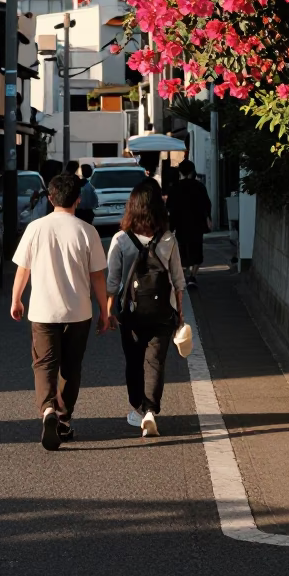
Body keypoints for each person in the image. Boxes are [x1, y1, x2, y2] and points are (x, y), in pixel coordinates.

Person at [10, 172, 112, 451]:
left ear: (50, 198)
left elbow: (23, 269)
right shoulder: (87, 231)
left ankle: (47, 411)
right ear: (78, 199)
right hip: (78, 311)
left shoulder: (35, 228)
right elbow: (98, 277)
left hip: (43, 311)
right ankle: (64, 420)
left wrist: (16, 299)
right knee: (70, 367)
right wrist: (104, 311)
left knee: (44, 363)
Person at [106, 181, 185, 437]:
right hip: (162, 310)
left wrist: (108, 311)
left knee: (133, 360)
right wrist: (180, 313)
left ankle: (138, 409)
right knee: (155, 362)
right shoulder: (169, 239)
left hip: (132, 312)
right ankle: (151, 410)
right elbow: (177, 279)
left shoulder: (121, 239)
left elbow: (112, 282)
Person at [166, 159, 211, 289]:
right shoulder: (199, 186)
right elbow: (206, 204)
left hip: (180, 224)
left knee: (182, 250)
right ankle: (192, 276)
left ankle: (185, 276)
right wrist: (208, 218)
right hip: (196, 223)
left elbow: (170, 207)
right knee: (197, 249)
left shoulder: (175, 188)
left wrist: (170, 226)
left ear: (180, 172)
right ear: (192, 171)